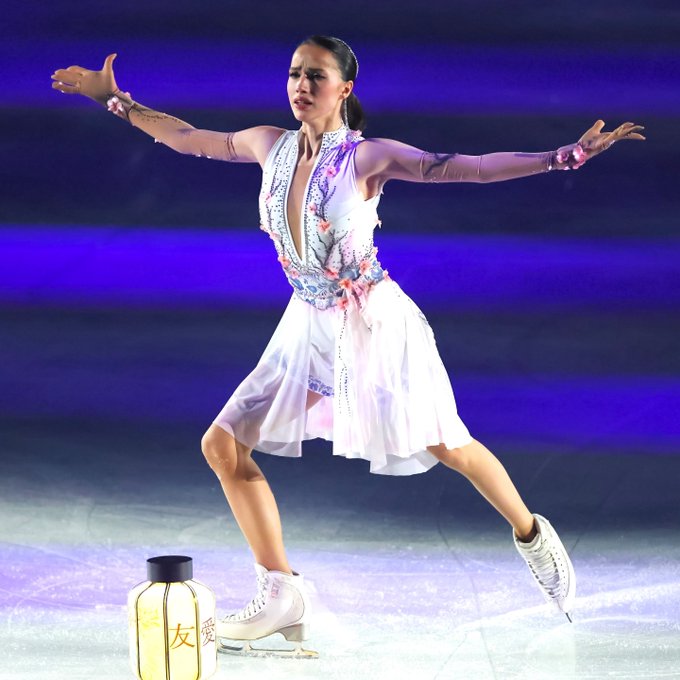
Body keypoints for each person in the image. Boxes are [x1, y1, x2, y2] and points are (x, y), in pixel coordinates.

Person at [52, 35, 645, 655]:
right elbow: (187, 137)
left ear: (345, 89)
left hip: (372, 322)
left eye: (316, 75)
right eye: (294, 74)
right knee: (223, 445)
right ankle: (281, 591)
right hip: (306, 322)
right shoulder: (269, 145)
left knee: (447, 444)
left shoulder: (366, 159)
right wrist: (117, 101)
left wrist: (564, 156)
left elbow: (464, 166)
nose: (301, 86)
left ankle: (530, 534)